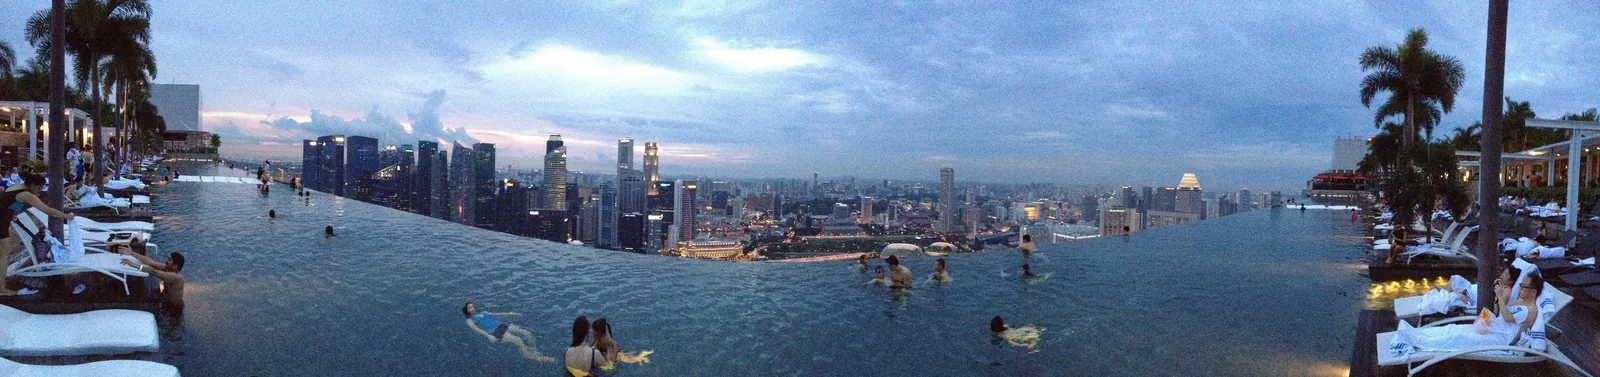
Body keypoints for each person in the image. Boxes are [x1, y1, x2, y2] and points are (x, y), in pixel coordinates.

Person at [1392, 272, 1547, 355]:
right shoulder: (1521, 301)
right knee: (1452, 328)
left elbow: (1507, 317)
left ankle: (1414, 341)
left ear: (1533, 292)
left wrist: (1500, 295)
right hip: (1491, 329)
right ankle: (1413, 333)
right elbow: (1503, 314)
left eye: (1523, 286)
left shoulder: (1532, 310)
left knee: (1457, 337)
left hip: (1499, 338)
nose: (1520, 289)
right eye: (1520, 285)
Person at [0, 173, 78, 296]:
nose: (39, 191)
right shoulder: (26, 194)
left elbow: (8, 202)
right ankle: (1, 289)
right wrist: (66, 216)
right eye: (38, 188)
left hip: (3, 221)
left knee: (3, 255)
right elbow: (48, 211)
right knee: (3, 257)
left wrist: (11, 213)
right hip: (2, 224)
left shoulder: (15, 187)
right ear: (32, 185)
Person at [462, 301, 552, 362]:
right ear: (466, 311)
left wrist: (509, 314)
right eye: (470, 308)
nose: (472, 309)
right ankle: (528, 354)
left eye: (472, 306)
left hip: (501, 325)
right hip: (494, 331)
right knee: (518, 340)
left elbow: (496, 314)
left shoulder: (482, 312)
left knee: (527, 333)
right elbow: (476, 329)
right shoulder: (469, 320)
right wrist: (488, 336)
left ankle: (534, 349)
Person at [118, 250, 185, 307]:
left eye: (169, 260)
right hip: (164, 295)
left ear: (175, 266)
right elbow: (151, 263)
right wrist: (132, 253)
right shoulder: (168, 268)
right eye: (168, 259)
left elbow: (152, 271)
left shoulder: (177, 277)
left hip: (174, 306)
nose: (166, 261)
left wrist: (132, 264)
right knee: (146, 296)